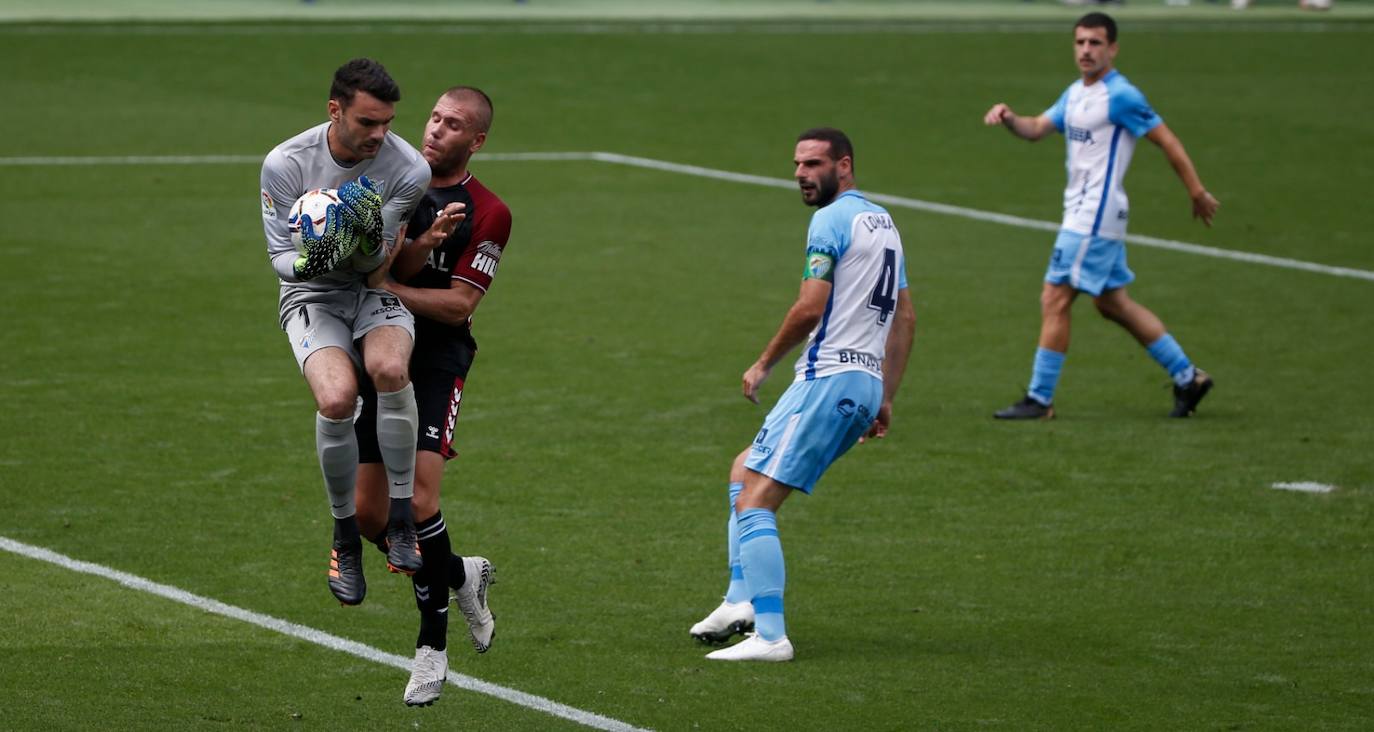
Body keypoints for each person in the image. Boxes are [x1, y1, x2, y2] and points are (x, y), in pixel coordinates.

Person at [689, 128, 917, 662]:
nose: (801, 174)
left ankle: (770, 636)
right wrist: (885, 395)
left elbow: (811, 306)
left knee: (755, 502)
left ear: (845, 165)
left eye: (814, 164)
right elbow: (904, 317)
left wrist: (765, 361)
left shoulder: (829, 221)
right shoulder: (883, 223)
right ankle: (739, 599)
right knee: (744, 468)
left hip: (828, 377)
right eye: (797, 164)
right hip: (860, 384)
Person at [353, 86, 511, 706]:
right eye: (436, 118)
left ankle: (431, 649)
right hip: (379, 349)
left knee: (417, 499)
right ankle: (459, 573)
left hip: (436, 359)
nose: (438, 130)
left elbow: (459, 305)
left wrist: (388, 286)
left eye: (455, 125)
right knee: (370, 517)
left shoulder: (489, 211)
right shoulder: (393, 182)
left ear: (476, 141)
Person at [982, 12, 1220, 420]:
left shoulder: (1121, 95)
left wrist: (1196, 190)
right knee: (1112, 303)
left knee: (1055, 296)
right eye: (1080, 43)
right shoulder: (1076, 93)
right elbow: (1037, 127)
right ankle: (1188, 377)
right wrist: (1009, 118)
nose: (1086, 50)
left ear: (1113, 48)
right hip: (1086, 213)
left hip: (1094, 214)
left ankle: (1040, 400)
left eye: (1095, 43)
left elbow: (1167, 140)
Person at [259, 58, 431, 607]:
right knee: (336, 399)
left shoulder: (408, 170)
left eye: (387, 123)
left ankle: (401, 518)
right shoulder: (285, 164)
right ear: (335, 111)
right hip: (312, 293)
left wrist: (357, 236)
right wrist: (318, 256)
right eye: (367, 123)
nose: (379, 136)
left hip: (370, 289)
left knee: (389, 368)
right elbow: (281, 260)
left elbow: (379, 268)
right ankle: (344, 536)